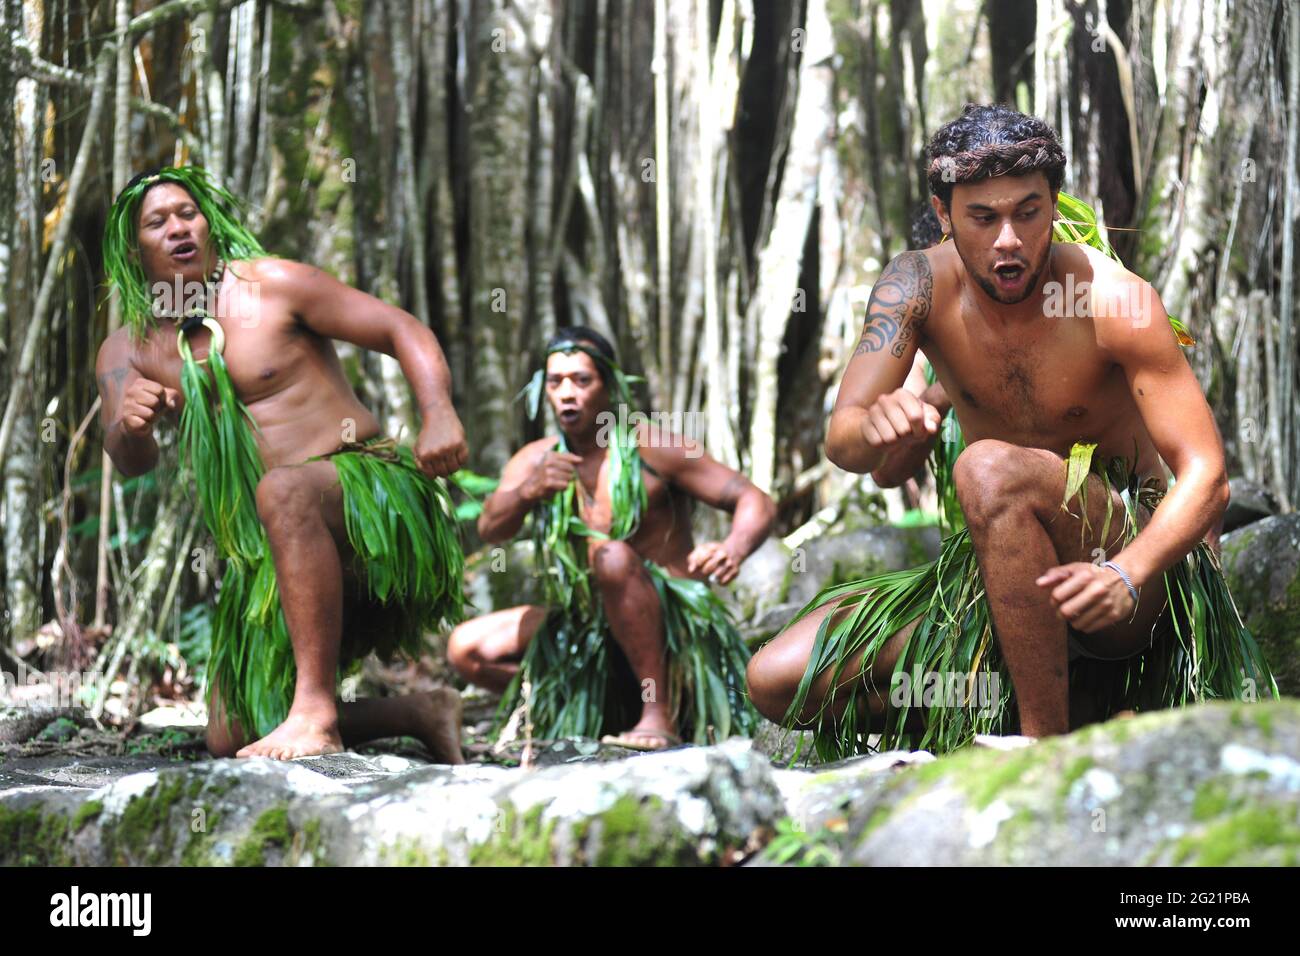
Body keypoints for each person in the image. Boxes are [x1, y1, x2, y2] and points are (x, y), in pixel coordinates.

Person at [746, 104, 1274, 757]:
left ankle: (1039, 751)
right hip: (1003, 590)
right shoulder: (913, 286)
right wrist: (875, 423)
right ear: (944, 216)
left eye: (1027, 212)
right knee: (776, 682)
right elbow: (843, 441)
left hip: (1126, 574)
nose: (1008, 240)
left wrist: (1129, 573)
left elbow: (1208, 477)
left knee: (989, 468)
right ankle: (1055, 706)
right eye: (982, 217)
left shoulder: (1114, 299)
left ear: (1053, 203)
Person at [97, 166, 469, 761]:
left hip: (367, 497)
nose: (177, 229)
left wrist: (439, 411)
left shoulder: (272, 285)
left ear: (209, 224)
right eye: (156, 222)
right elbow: (130, 461)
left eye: (187, 213)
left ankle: (316, 714)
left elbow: (399, 327)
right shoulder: (127, 350)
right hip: (277, 548)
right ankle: (417, 712)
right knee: (229, 736)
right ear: (132, 247)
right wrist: (128, 425)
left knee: (284, 491)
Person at [447, 327, 775, 750]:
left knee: (613, 558)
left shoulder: (653, 446)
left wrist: (734, 548)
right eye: (555, 381)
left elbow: (753, 498)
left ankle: (660, 712)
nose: (567, 392)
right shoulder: (535, 459)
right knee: (465, 648)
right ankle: (587, 698)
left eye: (582, 380)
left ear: (609, 385)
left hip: (671, 629)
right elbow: (491, 528)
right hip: (589, 630)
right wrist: (527, 491)